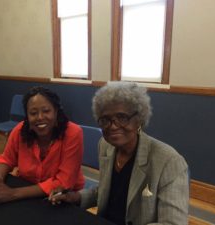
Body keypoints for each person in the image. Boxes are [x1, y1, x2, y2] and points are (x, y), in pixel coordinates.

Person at [50, 81, 189, 225]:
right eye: (105, 120)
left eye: (122, 117)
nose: (113, 126)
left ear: (139, 119)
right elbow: (108, 191)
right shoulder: (105, 145)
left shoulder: (169, 161)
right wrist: (76, 197)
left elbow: (173, 223)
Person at [0, 86, 84, 203]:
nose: (40, 117)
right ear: (27, 116)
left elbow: (63, 181)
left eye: (46, 111)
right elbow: (6, 159)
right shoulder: (20, 130)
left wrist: (13, 194)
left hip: (62, 197)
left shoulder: (73, 133)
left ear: (56, 111)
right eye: (33, 113)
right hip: (27, 189)